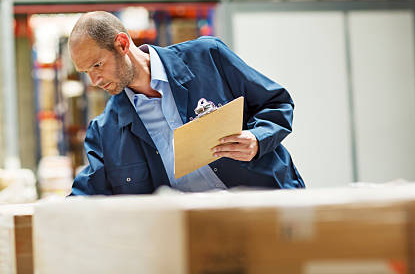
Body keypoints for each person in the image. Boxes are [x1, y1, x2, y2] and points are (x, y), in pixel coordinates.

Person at [68, 11, 304, 195]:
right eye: (85, 71)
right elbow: (87, 194)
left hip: (264, 206)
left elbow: (277, 103)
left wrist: (257, 139)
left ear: (122, 44)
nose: (94, 80)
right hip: (196, 237)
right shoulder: (105, 131)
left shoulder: (208, 58)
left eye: (97, 65)